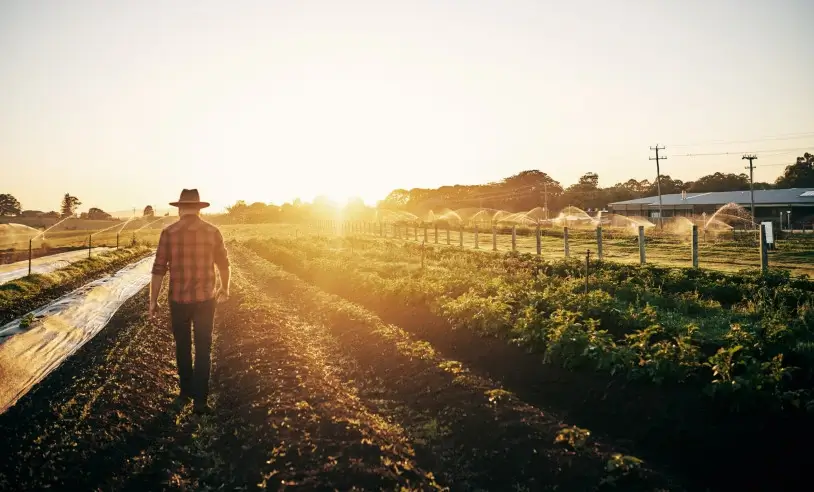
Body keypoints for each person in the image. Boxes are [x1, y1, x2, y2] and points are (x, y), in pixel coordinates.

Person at [149, 189, 231, 413]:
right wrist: (225, 288)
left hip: (178, 299)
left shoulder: (168, 233)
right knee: (204, 348)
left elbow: (158, 270)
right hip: (206, 299)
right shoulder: (212, 232)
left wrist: (152, 301)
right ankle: (200, 402)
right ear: (199, 208)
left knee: (183, 347)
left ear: (180, 208)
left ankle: (185, 393)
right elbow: (224, 264)